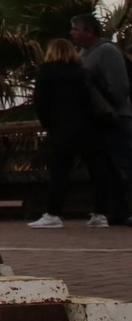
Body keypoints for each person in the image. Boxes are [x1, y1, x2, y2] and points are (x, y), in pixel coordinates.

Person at [28, 38, 119, 228]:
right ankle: (100, 214)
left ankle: (54, 213)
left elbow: (41, 102)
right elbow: (103, 96)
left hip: (63, 128)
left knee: (59, 171)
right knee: (97, 170)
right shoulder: (83, 73)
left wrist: (49, 123)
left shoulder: (47, 72)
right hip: (91, 128)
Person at [71, 13, 132, 225]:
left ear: (90, 31)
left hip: (116, 117)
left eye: (76, 29)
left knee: (125, 163)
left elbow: (120, 86)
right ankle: (119, 210)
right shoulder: (83, 53)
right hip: (97, 121)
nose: (73, 34)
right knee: (110, 168)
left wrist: (109, 106)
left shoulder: (107, 51)